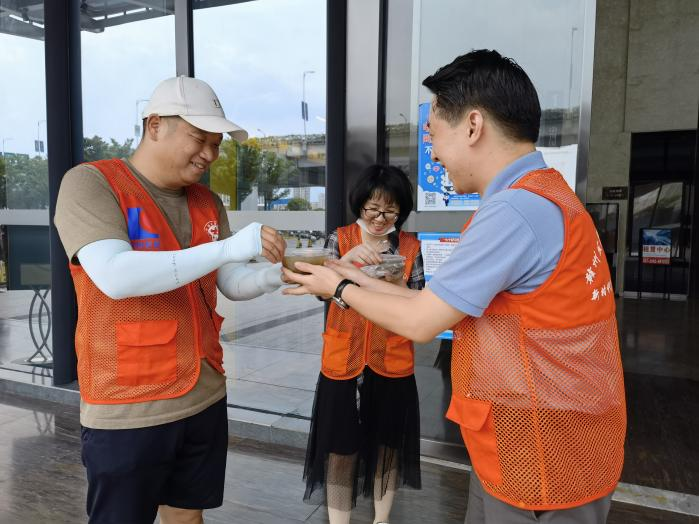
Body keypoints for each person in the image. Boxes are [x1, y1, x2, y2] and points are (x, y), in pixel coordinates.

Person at [284, 49, 626, 524]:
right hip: (540, 439)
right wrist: (351, 275)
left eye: (432, 132)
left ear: (472, 125)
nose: (432, 151)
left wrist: (339, 288)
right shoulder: (544, 195)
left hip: (539, 456)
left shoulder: (514, 211)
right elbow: (432, 302)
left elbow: (421, 321)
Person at [54, 76, 287, 524]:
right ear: (155, 124)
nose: (209, 155)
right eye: (200, 138)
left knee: (187, 515)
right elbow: (115, 276)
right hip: (130, 404)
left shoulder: (206, 201)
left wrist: (276, 275)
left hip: (204, 393)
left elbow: (228, 280)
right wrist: (230, 247)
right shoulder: (92, 183)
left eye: (216, 145)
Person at [303, 165, 424, 524]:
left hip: (392, 357)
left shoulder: (410, 247)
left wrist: (396, 284)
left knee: (388, 446)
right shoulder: (339, 239)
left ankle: (381, 519)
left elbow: (420, 302)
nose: (380, 219)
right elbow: (319, 291)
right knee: (340, 448)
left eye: (390, 211)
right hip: (344, 358)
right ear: (360, 204)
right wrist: (345, 264)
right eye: (372, 209)